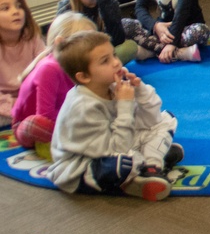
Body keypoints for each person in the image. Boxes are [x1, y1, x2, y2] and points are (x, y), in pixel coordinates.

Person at [48, 31, 184, 202]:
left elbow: (151, 121)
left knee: (166, 119)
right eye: (105, 61)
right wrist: (125, 105)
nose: (115, 63)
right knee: (123, 163)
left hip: (115, 143)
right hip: (83, 167)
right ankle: (148, 161)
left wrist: (140, 90)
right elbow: (116, 149)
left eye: (113, 55)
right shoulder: (83, 107)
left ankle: (151, 167)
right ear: (84, 76)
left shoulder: (111, 86)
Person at [12, 13, 97, 159]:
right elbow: (45, 115)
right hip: (32, 124)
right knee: (37, 124)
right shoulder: (49, 68)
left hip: (64, 115)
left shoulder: (79, 64)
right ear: (60, 43)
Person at [0, 0, 45, 127]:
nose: (16, 11)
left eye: (19, 6)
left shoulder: (32, 37)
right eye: (5, 8)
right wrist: (15, 106)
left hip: (30, 98)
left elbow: (44, 71)